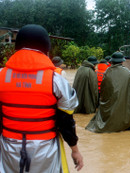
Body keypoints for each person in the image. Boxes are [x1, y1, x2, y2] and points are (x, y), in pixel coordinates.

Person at [0, 24, 83, 173]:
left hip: (8, 148)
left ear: (17, 47)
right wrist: (75, 150)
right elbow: (66, 122)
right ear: (46, 48)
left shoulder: (1, 75)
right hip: (45, 150)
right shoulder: (56, 80)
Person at [86, 52, 130, 133]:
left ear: (112, 61)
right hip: (123, 102)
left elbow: (104, 91)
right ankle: (124, 125)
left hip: (110, 102)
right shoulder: (127, 72)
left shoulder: (108, 71)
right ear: (122, 61)